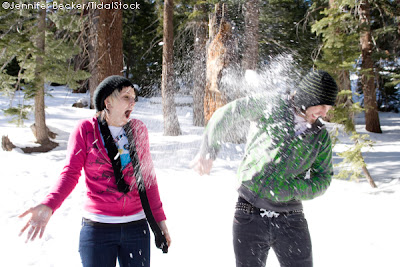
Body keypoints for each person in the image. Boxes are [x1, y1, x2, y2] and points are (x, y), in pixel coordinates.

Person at [19, 75, 171, 267]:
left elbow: (148, 178)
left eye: (134, 98)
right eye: (126, 97)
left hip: (136, 228)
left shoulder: (138, 130)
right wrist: (50, 204)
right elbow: (70, 174)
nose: (133, 102)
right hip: (98, 229)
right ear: (108, 102)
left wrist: (160, 220)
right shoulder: (86, 130)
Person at [191, 70, 339, 267]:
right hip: (249, 212)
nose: (324, 113)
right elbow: (227, 113)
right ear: (308, 97)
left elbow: (323, 178)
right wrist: (209, 150)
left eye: (328, 108)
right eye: (321, 106)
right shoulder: (273, 105)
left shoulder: (319, 136)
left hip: (291, 218)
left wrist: (292, 189)